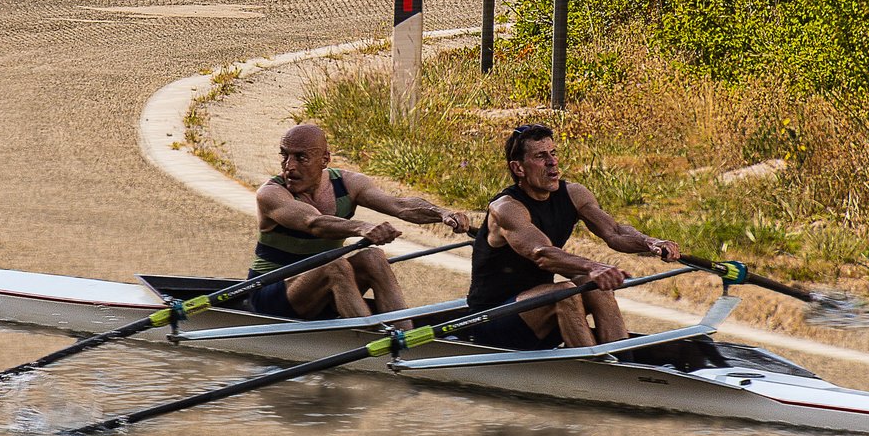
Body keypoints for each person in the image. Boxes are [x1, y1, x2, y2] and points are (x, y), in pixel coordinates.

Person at [464, 123, 683, 349]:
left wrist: (650, 242)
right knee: (565, 292)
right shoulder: (506, 208)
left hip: (537, 315)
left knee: (595, 286)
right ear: (518, 168)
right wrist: (592, 266)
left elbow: (615, 233)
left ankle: (622, 366)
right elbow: (542, 254)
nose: (553, 162)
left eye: (553, 153)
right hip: (492, 320)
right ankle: (593, 372)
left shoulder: (574, 194)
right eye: (541, 156)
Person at [250, 123, 473, 321]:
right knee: (336, 267)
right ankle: (371, 341)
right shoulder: (270, 194)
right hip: (270, 290)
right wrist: (362, 227)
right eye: (284, 156)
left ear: (325, 159)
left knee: (373, 257)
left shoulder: (349, 184)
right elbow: (313, 223)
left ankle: (402, 335)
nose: (289, 166)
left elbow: (400, 206)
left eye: (301, 158)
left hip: (318, 291)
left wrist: (442, 213)